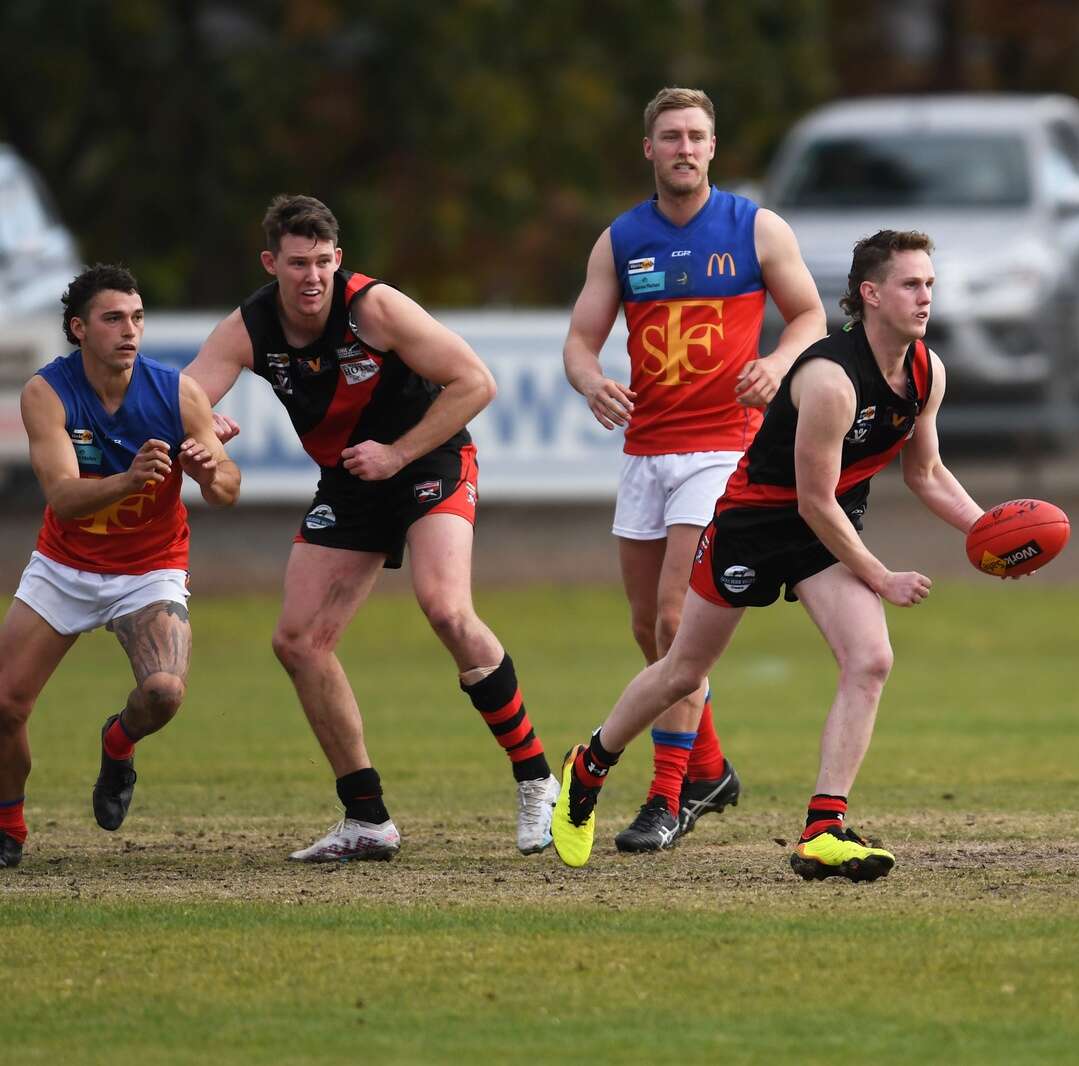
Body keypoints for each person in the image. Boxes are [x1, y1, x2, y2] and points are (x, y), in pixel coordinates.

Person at [550, 229, 987, 882]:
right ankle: (588, 768)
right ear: (870, 295)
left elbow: (925, 474)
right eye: (910, 284)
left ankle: (823, 829)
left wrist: (990, 532)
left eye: (930, 283)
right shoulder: (831, 379)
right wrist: (881, 576)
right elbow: (812, 502)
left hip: (823, 532)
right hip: (756, 526)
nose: (926, 297)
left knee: (870, 659)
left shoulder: (927, 371)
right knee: (681, 669)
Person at [184, 195, 558, 861]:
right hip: (352, 481)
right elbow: (185, 396)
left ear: (339, 259)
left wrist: (399, 453)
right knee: (298, 641)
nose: (312, 278)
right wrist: (202, 424)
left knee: (445, 606)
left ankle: (535, 777)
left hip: (428, 457)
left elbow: (476, 382)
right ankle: (367, 818)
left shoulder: (374, 309)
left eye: (323, 262)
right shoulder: (250, 325)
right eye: (297, 264)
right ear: (272, 263)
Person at [562, 87, 826, 852]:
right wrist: (591, 381)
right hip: (646, 449)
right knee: (651, 634)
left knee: (678, 620)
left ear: (714, 148)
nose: (684, 147)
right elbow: (581, 341)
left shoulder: (754, 227)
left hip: (724, 449)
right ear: (649, 148)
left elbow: (809, 314)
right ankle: (708, 768)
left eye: (697, 136)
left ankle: (666, 797)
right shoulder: (622, 240)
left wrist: (778, 360)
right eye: (671, 136)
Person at [0, 265, 239, 868]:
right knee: (4, 707)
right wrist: (129, 478)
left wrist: (212, 472)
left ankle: (118, 742)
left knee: (162, 693)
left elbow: (229, 487)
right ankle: (8, 825)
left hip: (149, 566)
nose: (128, 331)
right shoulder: (46, 393)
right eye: (112, 319)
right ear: (79, 329)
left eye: (136, 318)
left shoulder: (178, 393)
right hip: (64, 566)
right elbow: (60, 496)